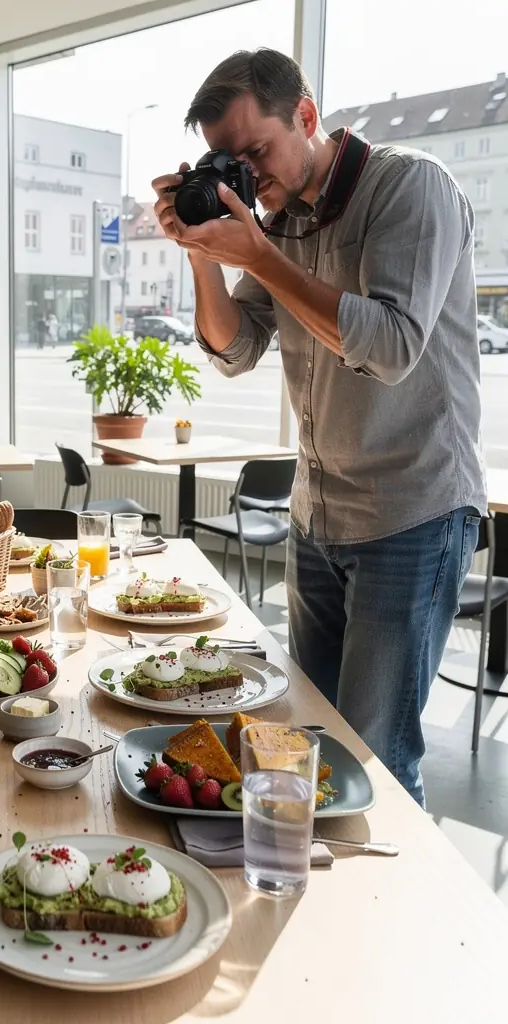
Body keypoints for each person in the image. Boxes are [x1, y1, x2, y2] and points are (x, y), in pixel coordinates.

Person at [152, 49, 486, 805]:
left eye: (255, 151)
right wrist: (202, 250)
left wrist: (261, 255)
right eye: (226, 161)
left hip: (411, 514)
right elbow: (235, 347)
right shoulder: (277, 222)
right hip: (317, 515)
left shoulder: (411, 186)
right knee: (308, 743)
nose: (245, 175)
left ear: (305, 115)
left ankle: (389, 885)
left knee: (374, 759)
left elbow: (392, 346)